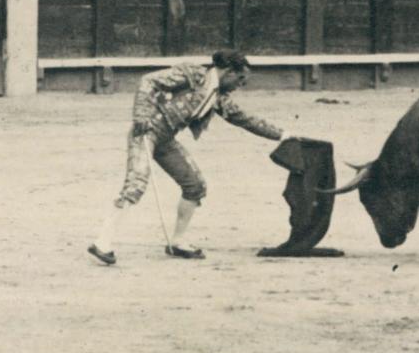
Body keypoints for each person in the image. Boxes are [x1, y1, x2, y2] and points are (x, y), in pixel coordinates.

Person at [89, 50, 292, 265]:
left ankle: (177, 242)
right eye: (240, 78)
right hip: (146, 132)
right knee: (136, 184)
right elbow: (148, 81)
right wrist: (141, 115)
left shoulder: (219, 97)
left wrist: (282, 135)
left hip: (166, 139)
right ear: (227, 71)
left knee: (195, 185)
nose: (240, 85)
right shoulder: (193, 75)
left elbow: (245, 119)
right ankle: (103, 243)